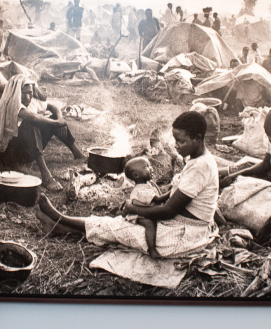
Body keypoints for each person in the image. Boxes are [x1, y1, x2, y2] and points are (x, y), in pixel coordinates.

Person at [36, 111, 219, 258]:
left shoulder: (200, 166)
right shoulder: (196, 160)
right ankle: (58, 227)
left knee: (120, 228)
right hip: (180, 225)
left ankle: (59, 218)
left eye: (181, 141)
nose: (176, 145)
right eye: (175, 140)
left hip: (183, 235)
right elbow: (172, 199)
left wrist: (133, 208)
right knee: (117, 224)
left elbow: (168, 210)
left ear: (198, 138)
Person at [0, 75, 85, 190]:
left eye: (30, 93)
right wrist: (58, 123)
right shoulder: (11, 104)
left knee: (53, 118)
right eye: (24, 93)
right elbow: (33, 118)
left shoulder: (29, 101)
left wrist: (59, 119)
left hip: (27, 151)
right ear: (16, 93)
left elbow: (52, 106)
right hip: (9, 154)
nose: (28, 97)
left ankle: (77, 153)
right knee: (31, 124)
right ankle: (46, 176)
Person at [122, 157, 168, 259]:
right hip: (139, 214)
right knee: (150, 224)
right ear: (136, 175)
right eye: (146, 167)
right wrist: (173, 191)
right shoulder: (141, 189)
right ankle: (151, 249)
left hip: (145, 209)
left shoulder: (148, 183)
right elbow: (158, 199)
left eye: (150, 165)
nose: (151, 168)